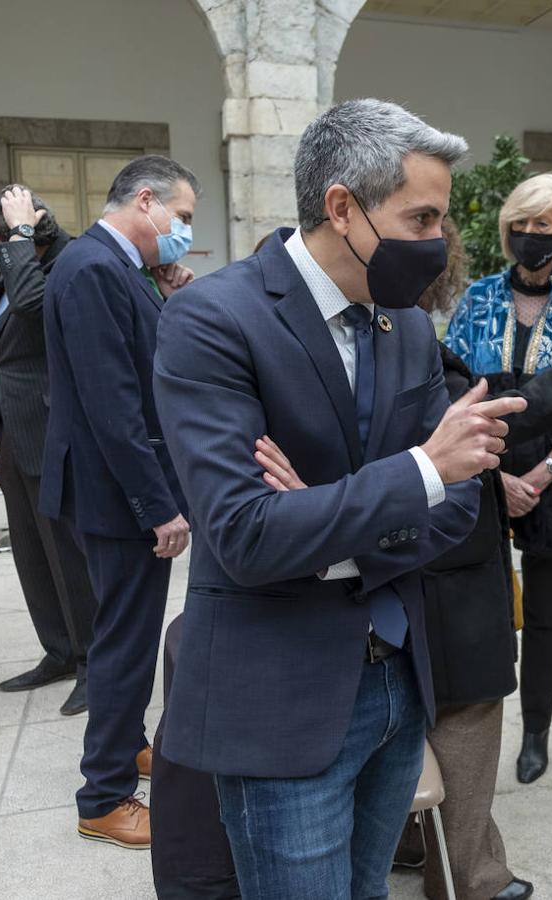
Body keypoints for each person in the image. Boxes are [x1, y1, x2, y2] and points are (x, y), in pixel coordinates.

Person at [152, 98, 519, 898]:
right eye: (419, 216)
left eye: (440, 218)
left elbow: (458, 507)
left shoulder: (408, 328)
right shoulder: (213, 317)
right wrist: (416, 471)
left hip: (397, 677)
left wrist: (322, 516)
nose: (436, 241)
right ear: (342, 207)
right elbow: (247, 535)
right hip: (280, 692)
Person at [253, 219, 552, 900]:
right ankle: (472, 878)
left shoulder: (392, 337)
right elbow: (479, 421)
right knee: (461, 716)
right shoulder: (389, 338)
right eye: (421, 222)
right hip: (434, 563)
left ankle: (424, 852)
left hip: (423, 555)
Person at [41, 155, 199, 849]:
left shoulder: (113, 268)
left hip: (109, 488)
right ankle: (103, 795)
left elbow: (137, 359)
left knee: (123, 630)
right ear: (145, 201)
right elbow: (115, 408)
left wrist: (163, 290)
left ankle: (128, 740)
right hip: (115, 494)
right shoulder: (94, 269)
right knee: (125, 641)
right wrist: (157, 506)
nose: (184, 231)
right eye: (182, 217)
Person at [444, 172, 552, 785]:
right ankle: (472, 726)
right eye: (521, 223)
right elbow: (456, 397)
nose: (530, 234)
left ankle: (536, 731)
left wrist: (537, 478)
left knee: (545, 613)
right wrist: (496, 480)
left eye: (543, 225)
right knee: (480, 607)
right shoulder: (479, 298)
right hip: (483, 475)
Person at [0, 185, 99, 717]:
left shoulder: (63, 263)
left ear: (17, 234)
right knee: (30, 551)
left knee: (65, 553)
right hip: (14, 426)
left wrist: (20, 235)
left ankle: (94, 662)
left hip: (50, 428)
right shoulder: (15, 265)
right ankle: (59, 651)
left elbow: (30, 309)